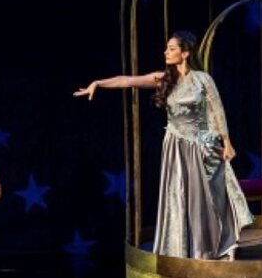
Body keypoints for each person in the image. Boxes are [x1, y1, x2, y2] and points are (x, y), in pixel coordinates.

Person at [74, 30, 252, 259]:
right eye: (167, 48)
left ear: (185, 53)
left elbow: (217, 111)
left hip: (201, 143)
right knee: (179, 196)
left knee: (207, 196)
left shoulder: (202, 79)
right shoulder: (164, 79)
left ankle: (213, 244)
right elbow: (127, 80)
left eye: (172, 48)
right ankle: (182, 247)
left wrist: (227, 142)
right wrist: (98, 83)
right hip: (176, 145)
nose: (166, 52)